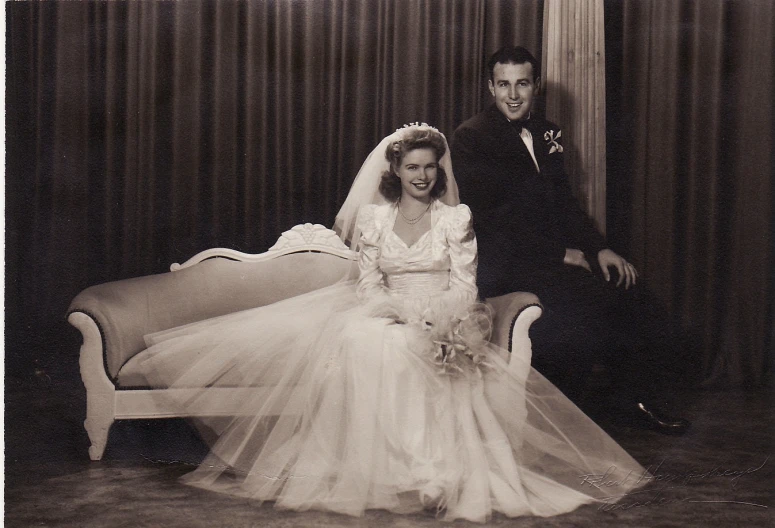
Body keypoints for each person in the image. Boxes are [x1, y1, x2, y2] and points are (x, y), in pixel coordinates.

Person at [136, 123, 648, 522]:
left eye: (428, 167)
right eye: (411, 168)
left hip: (444, 311)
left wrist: (436, 316)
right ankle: (392, 472)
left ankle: (436, 476)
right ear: (395, 172)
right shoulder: (374, 221)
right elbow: (367, 285)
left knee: (434, 350)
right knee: (370, 341)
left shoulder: (455, 219)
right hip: (385, 311)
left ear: (438, 171)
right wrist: (400, 313)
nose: (421, 176)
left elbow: (466, 285)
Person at [451, 46, 690, 435]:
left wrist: (599, 248)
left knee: (634, 292)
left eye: (522, 84)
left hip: (553, 257)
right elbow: (490, 222)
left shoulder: (549, 133)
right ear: (490, 87)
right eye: (504, 85)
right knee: (589, 302)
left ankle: (635, 402)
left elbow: (563, 203)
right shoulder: (472, 137)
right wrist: (561, 253)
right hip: (508, 262)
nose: (513, 95)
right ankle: (568, 426)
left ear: (536, 86)